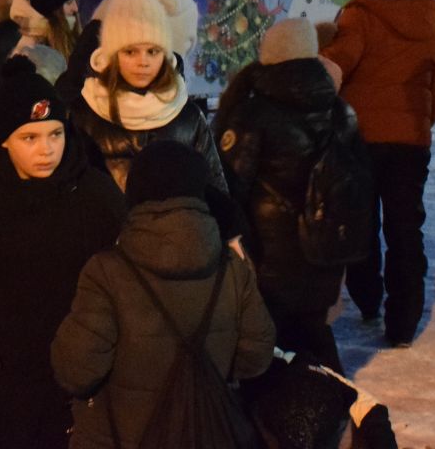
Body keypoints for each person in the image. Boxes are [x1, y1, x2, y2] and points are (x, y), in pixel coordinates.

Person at [0, 65, 124, 449]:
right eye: (30, 137)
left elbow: (124, 282)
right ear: (4, 140)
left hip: (73, 383)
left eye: (55, 134)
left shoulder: (95, 194)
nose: (47, 148)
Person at [50, 140, 276, 447]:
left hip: (121, 437)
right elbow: (256, 356)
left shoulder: (106, 272)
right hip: (208, 432)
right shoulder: (231, 268)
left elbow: (76, 371)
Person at [214, 15, 364, 374]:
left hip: (269, 252)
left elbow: (230, 183)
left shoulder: (251, 113)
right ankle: (329, 399)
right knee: (314, 327)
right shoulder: (340, 110)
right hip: (324, 245)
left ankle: (284, 412)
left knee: (272, 337)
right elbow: (358, 179)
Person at [318, 0, 435, 346]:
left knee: (363, 223)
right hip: (410, 139)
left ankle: (368, 299)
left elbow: (337, 67)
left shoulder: (360, 16)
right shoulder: (430, 16)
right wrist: (421, 123)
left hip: (361, 139)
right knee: (405, 229)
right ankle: (404, 321)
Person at [67, 0, 227, 199]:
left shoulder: (186, 115)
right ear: (112, 55)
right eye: (130, 52)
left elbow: (215, 188)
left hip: (176, 230)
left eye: (153, 51)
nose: (143, 62)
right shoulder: (83, 115)